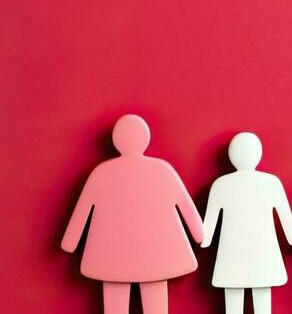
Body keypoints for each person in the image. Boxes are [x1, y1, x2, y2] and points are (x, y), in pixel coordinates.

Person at [63, 114, 208, 314]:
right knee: (155, 298)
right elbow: (186, 207)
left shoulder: (101, 173)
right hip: (156, 254)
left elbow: (83, 210)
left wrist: (70, 242)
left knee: (115, 302)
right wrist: (200, 235)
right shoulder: (162, 170)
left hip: (112, 255)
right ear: (145, 139)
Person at [202, 133, 292, 314]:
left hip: (231, 255)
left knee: (233, 301)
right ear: (258, 154)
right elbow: (289, 227)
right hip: (263, 253)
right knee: (262, 297)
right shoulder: (271, 183)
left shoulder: (221, 185)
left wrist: (203, 239)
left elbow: (206, 234)